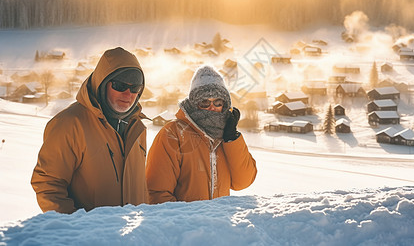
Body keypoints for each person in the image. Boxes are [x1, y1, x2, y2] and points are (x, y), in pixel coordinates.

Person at [31, 47, 148, 213]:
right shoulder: (70, 124)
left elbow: (142, 189)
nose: (128, 94)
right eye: (120, 85)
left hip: (131, 236)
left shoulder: (138, 128)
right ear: (102, 83)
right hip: (90, 236)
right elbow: (48, 185)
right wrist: (76, 228)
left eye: (135, 88)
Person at [145, 65, 257, 203]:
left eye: (217, 102)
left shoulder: (226, 137)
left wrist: (232, 139)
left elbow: (243, 181)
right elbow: (156, 193)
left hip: (219, 222)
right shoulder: (173, 134)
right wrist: (188, 222)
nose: (212, 107)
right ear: (194, 103)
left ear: (225, 104)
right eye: (204, 102)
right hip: (188, 223)